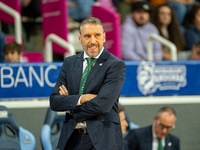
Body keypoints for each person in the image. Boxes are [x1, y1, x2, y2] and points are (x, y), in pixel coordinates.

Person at [50, 17, 126, 150]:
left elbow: (102, 105)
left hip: (103, 141)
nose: (92, 41)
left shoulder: (115, 65)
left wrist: (71, 106)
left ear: (104, 37)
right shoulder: (69, 63)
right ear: (80, 39)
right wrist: (82, 98)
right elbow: (55, 101)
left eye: (97, 35)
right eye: (87, 36)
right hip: (71, 139)